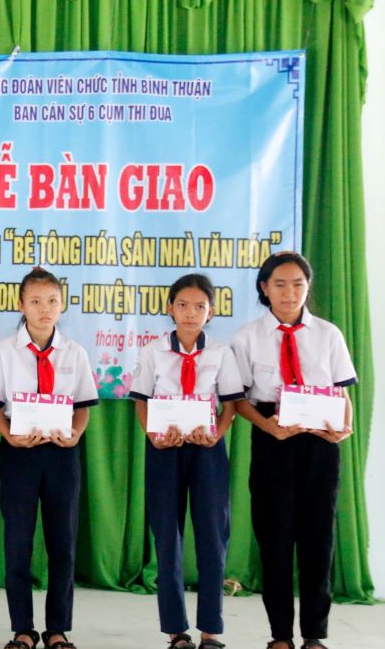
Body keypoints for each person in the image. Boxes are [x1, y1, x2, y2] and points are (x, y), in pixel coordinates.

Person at [231, 252, 356, 649]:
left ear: (308, 287)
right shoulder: (247, 336)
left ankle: (315, 635)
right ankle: (280, 635)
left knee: (319, 539)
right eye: (280, 284)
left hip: (321, 442)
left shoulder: (328, 334)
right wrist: (268, 426)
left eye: (298, 284)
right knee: (276, 538)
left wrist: (345, 425)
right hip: (273, 440)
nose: (289, 292)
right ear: (264, 289)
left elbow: (342, 390)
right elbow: (239, 400)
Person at [0, 267, 99, 649]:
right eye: (35, 301)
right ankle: (23, 629)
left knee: (62, 543)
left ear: (62, 305)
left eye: (52, 301)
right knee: (18, 542)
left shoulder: (74, 353)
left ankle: (58, 629)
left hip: (62, 455)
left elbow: (83, 407)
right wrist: (8, 436)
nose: (44, 310)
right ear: (21, 305)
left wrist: (76, 434)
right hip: (20, 454)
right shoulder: (3, 352)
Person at [129, 274, 245, 649]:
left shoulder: (221, 352)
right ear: (170, 308)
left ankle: (211, 630)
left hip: (207, 449)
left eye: (200, 306)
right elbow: (141, 400)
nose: (191, 313)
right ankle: (176, 631)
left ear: (211, 312)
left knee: (213, 535)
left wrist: (217, 434)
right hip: (164, 449)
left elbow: (230, 405)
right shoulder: (153, 351)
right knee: (167, 536)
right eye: (183, 305)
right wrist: (153, 435)